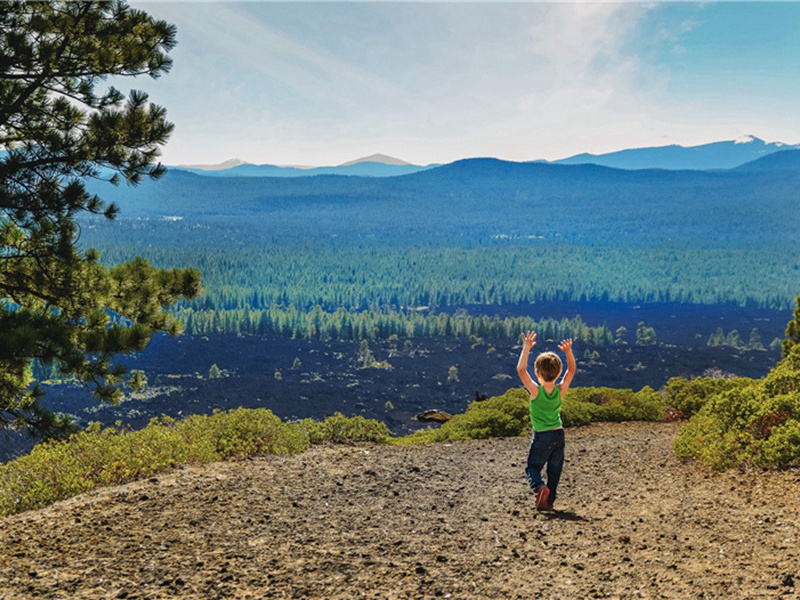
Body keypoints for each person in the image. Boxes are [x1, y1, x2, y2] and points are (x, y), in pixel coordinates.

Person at [516, 331, 576, 511]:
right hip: (559, 434)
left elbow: (521, 370)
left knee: (532, 467)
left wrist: (526, 348)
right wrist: (568, 351)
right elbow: (571, 370)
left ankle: (540, 488)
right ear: (558, 373)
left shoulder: (536, 391)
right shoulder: (560, 390)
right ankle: (549, 502)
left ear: (537, 373)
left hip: (542, 436)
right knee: (555, 471)